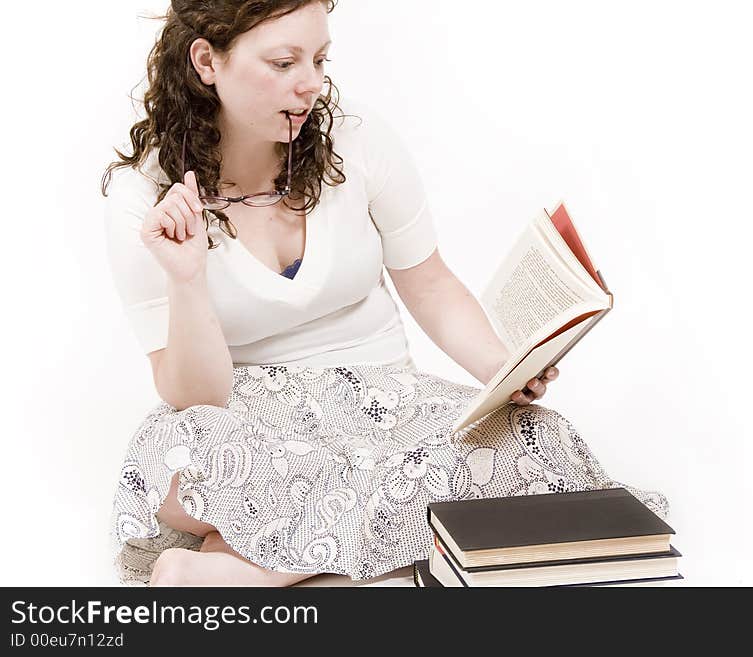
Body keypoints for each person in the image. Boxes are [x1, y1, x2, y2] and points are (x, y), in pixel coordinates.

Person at [102, 0, 669, 587]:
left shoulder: (359, 144)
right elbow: (197, 397)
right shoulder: (141, 195)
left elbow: (430, 285)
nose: (310, 85)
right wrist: (188, 278)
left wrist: (503, 369)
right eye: (283, 62)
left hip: (384, 405)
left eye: (319, 60)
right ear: (206, 61)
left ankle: (251, 571)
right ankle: (372, 563)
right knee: (194, 460)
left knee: (536, 440)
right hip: (243, 420)